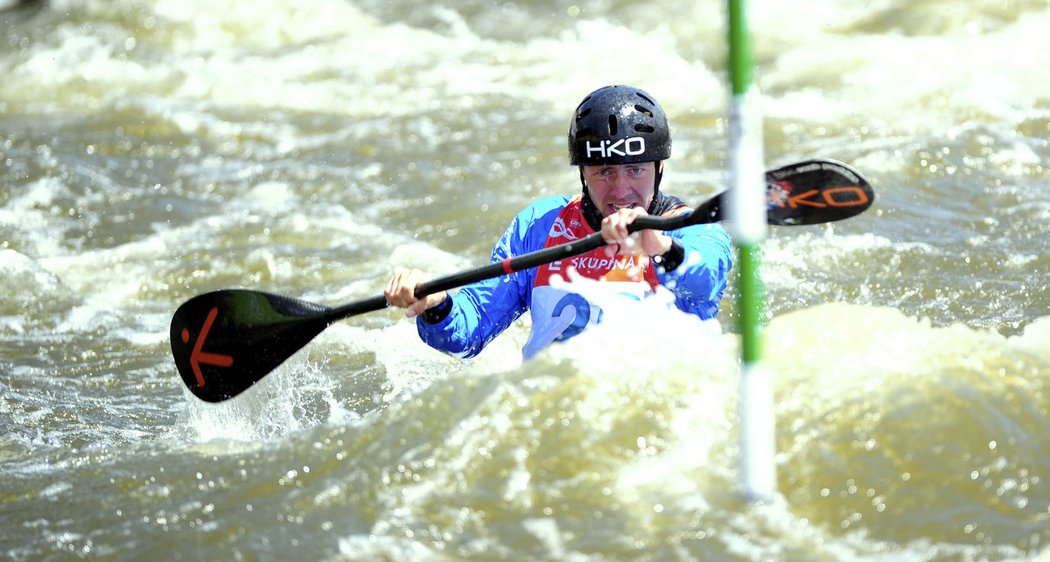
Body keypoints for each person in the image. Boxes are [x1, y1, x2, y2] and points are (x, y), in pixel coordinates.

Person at [384, 85, 733, 360]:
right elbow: (468, 335)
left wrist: (661, 247)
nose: (621, 189)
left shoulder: (690, 229)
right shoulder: (540, 225)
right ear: (583, 173)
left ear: (659, 169)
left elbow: (705, 282)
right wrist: (436, 306)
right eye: (605, 171)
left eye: (636, 169)